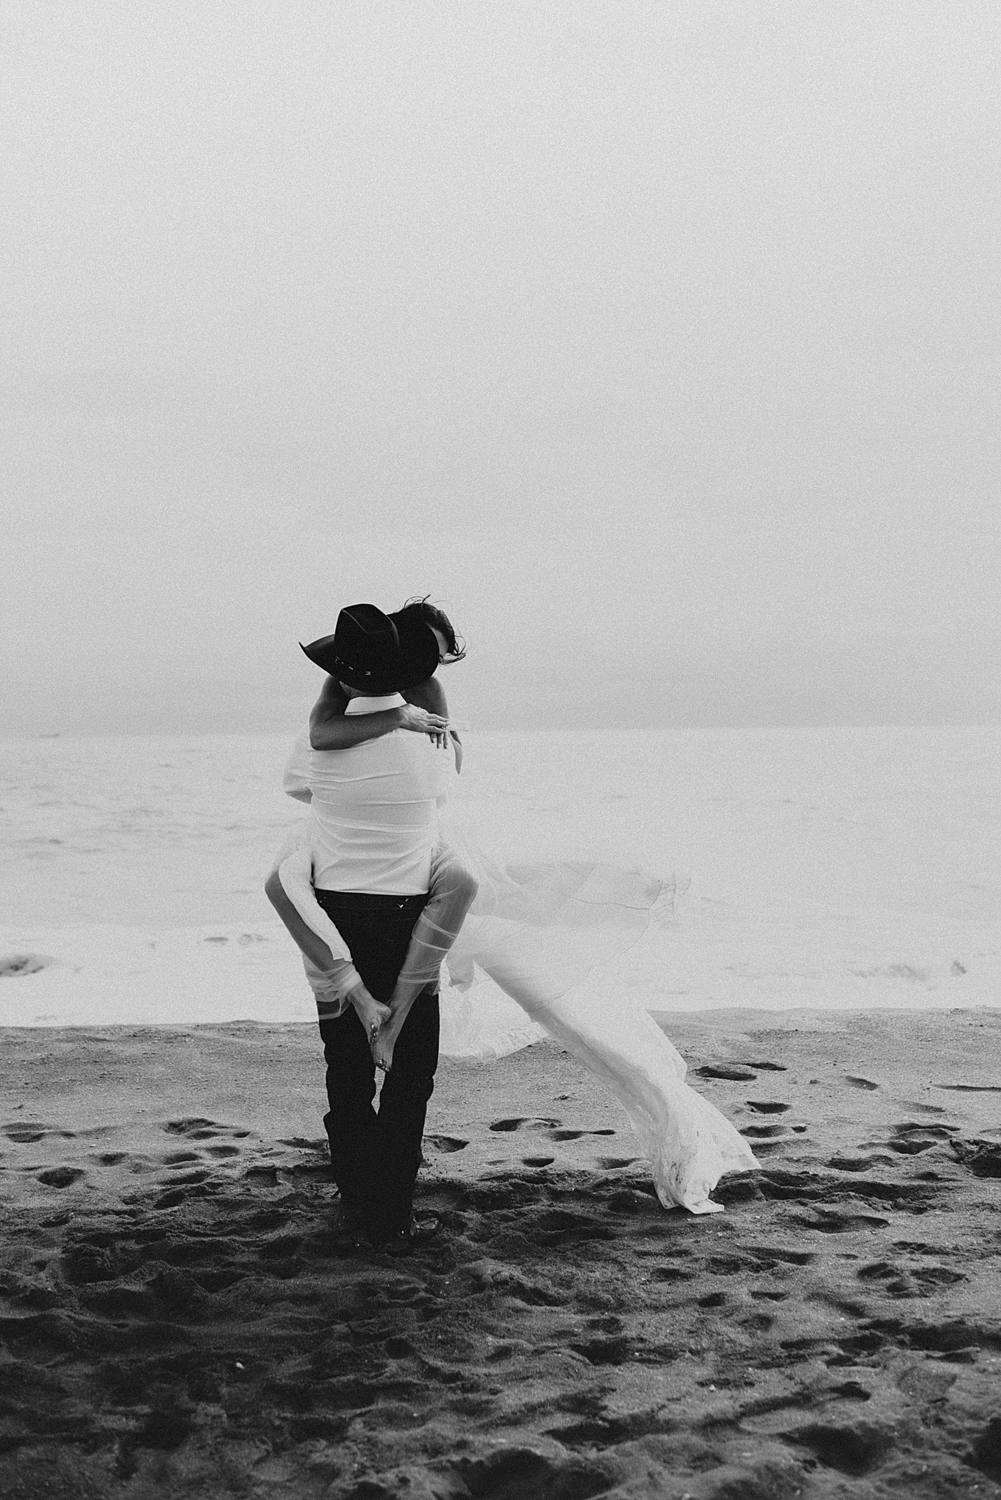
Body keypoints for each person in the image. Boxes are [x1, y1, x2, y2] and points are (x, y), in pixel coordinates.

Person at [267, 601, 473, 1252]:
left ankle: (360, 1195)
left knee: (347, 1065)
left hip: (337, 901)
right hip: (404, 905)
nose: (440, 664)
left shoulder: (328, 726)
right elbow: (443, 792)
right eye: (432, 655)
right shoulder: (429, 735)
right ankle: (391, 1208)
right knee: (410, 1071)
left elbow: (302, 779)